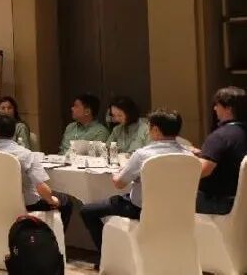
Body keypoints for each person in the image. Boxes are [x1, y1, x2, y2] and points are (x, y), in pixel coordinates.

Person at [80, 109, 190, 263]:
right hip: (178, 210)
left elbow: (119, 183)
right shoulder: (189, 155)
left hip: (140, 209)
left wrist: (117, 173)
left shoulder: (143, 155)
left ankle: (107, 257)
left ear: (156, 130)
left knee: (87, 211)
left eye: (149, 128)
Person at [0, 113, 74, 229]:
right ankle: (53, 238)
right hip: (27, 204)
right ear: (14, 131)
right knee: (66, 201)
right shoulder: (25, 154)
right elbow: (41, 187)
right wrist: (52, 201)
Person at [194, 87, 247, 214]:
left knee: (173, 195)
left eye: (217, 105)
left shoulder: (219, 137)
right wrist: (203, 154)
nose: (214, 109)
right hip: (241, 203)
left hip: (217, 204)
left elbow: (202, 171)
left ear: (228, 108)